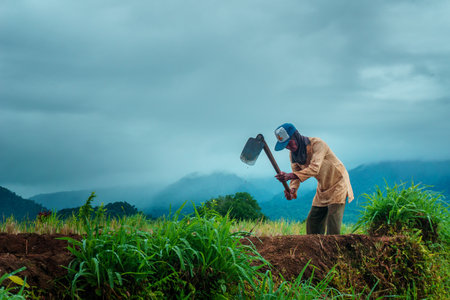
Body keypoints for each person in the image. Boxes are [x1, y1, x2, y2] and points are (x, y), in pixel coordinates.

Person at [273, 123, 354, 235]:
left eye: (289, 143)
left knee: (333, 225)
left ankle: (334, 250)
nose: (288, 147)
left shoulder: (317, 144)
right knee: (313, 222)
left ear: (296, 136)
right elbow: (295, 176)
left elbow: (314, 169)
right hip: (323, 187)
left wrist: (289, 175)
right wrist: (292, 190)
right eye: (285, 145)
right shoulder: (293, 155)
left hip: (338, 182)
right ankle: (316, 250)